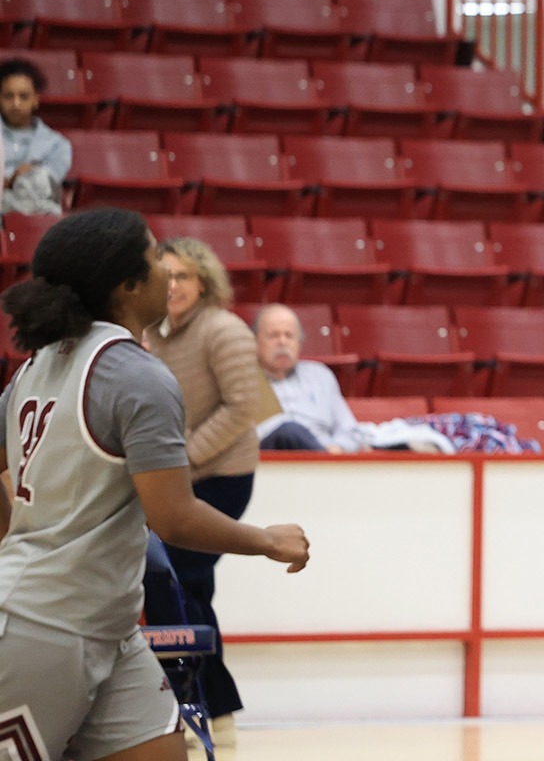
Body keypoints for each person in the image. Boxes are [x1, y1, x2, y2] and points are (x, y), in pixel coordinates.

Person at [0, 208, 309, 761]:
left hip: (110, 627)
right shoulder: (137, 375)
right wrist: (266, 539)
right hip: (45, 627)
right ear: (126, 286)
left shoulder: (35, 366)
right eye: (153, 261)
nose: (167, 272)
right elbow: (174, 518)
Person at [143, 237, 270, 747]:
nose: (172, 286)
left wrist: (185, 457)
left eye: (182, 276)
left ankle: (208, 710)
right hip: (182, 477)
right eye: (164, 276)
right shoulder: (160, 334)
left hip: (223, 477)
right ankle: (215, 713)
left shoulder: (225, 330)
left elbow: (244, 407)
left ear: (203, 282)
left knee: (178, 582)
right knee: (191, 590)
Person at [254, 304, 359, 453]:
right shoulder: (240, 380)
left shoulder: (320, 375)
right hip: (266, 461)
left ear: (299, 343)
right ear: (255, 342)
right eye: (273, 335)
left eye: (289, 336)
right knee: (289, 430)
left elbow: (350, 431)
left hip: (319, 458)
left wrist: (337, 448)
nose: (282, 342)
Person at [0, 57, 72, 216]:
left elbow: (48, 185)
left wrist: (23, 177)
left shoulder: (58, 145)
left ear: (36, 99)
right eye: (8, 96)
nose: (16, 103)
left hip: (35, 215)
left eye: (23, 96)